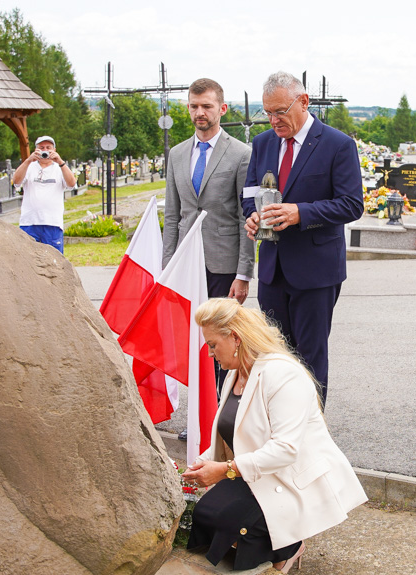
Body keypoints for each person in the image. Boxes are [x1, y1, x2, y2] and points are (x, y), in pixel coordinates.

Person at [181, 298, 367, 572]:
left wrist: (224, 470)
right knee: (205, 514)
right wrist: (202, 464)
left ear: (235, 338)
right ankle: (270, 537)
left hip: (290, 478)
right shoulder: (235, 374)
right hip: (260, 472)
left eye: (212, 345)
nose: (210, 353)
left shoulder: (283, 374)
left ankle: (289, 545)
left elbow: (285, 450)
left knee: (233, 523)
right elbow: (230, 433)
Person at [242, 71, 364, 408]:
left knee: (309, 358)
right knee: (274, 355)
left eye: (280, 111)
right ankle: (278, 431)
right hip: (272, 270)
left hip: (315, 272)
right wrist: (251, 216)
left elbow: (352, 204)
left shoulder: (338, 144)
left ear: (304, 102)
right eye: (267, 113)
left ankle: (310, 435)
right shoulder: (263, 143)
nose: (274, 120)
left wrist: (301, 213)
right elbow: (249, 194)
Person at [163, 79, 254, 436]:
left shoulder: (240, 154)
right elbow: (173, 215)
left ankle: (218, 420)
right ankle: (198, 417)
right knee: (192, 343)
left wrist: (244, 273)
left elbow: (245, 218)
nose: (200, 113)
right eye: (193, 106)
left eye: (207, 106)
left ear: (222, 109)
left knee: (222, 344)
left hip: (223, 265)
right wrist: (168, 267)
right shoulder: (176, 154)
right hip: (187, 265)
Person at [12, 136, 76, 253]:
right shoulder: (29, 167)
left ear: (54, 150)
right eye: (42, 148)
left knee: (54, 260)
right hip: (29, 222)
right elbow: (16, 181)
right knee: (28, 259)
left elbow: (71, 184)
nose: (45, 151)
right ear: (36, 150)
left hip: (52, 223)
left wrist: (60, 162)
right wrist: (28, 160)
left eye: (48, 148)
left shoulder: (59, 168)